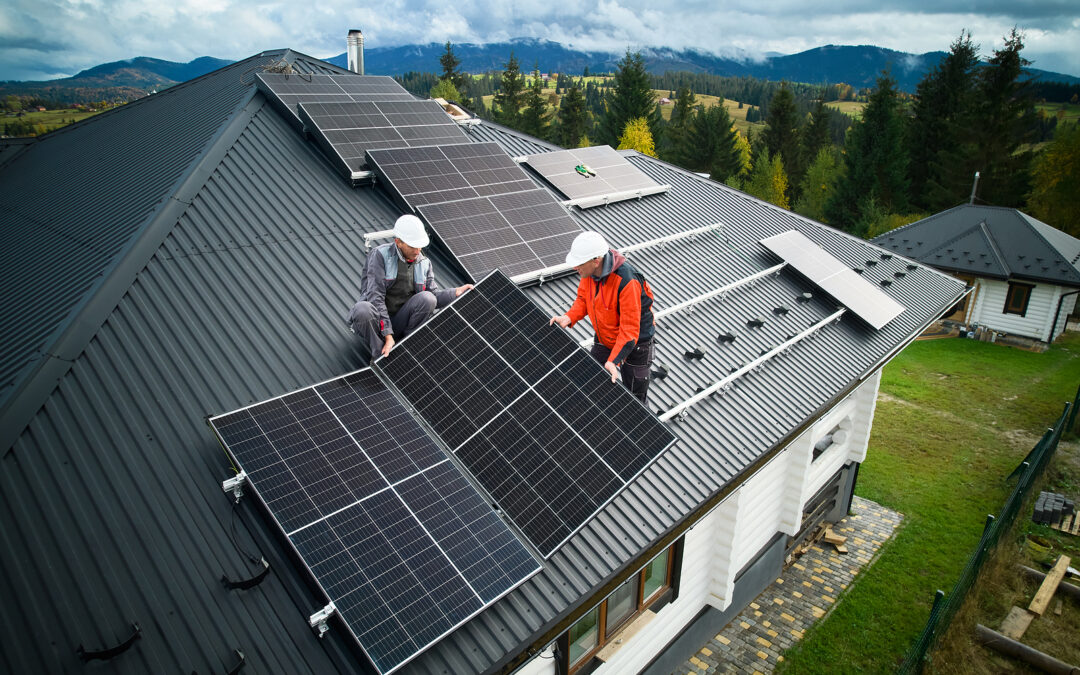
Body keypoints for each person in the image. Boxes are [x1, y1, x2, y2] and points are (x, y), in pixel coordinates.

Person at [549, 231, 656, 403]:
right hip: (606, 337)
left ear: (596, 260)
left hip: (637, 345)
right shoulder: (589, 273)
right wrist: (569, 317)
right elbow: (583, 299)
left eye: (579, 263)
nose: (575, 268)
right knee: (592, 379)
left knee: (635, 401)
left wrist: (613, 361)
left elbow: (629, 331)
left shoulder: (627, 281)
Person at [348, 215, 471, 361]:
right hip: (376, 323)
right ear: (398, 242)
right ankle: (380, 357)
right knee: (362, 309)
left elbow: (433, 296)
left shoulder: (424, 263)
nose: (417, 251)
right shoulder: (380, 256)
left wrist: (455, 293)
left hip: (400, 321)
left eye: (419, 246)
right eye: (413, 246)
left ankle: (407, 346)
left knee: (428, 298)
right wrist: (388, 335)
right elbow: (376, 297)